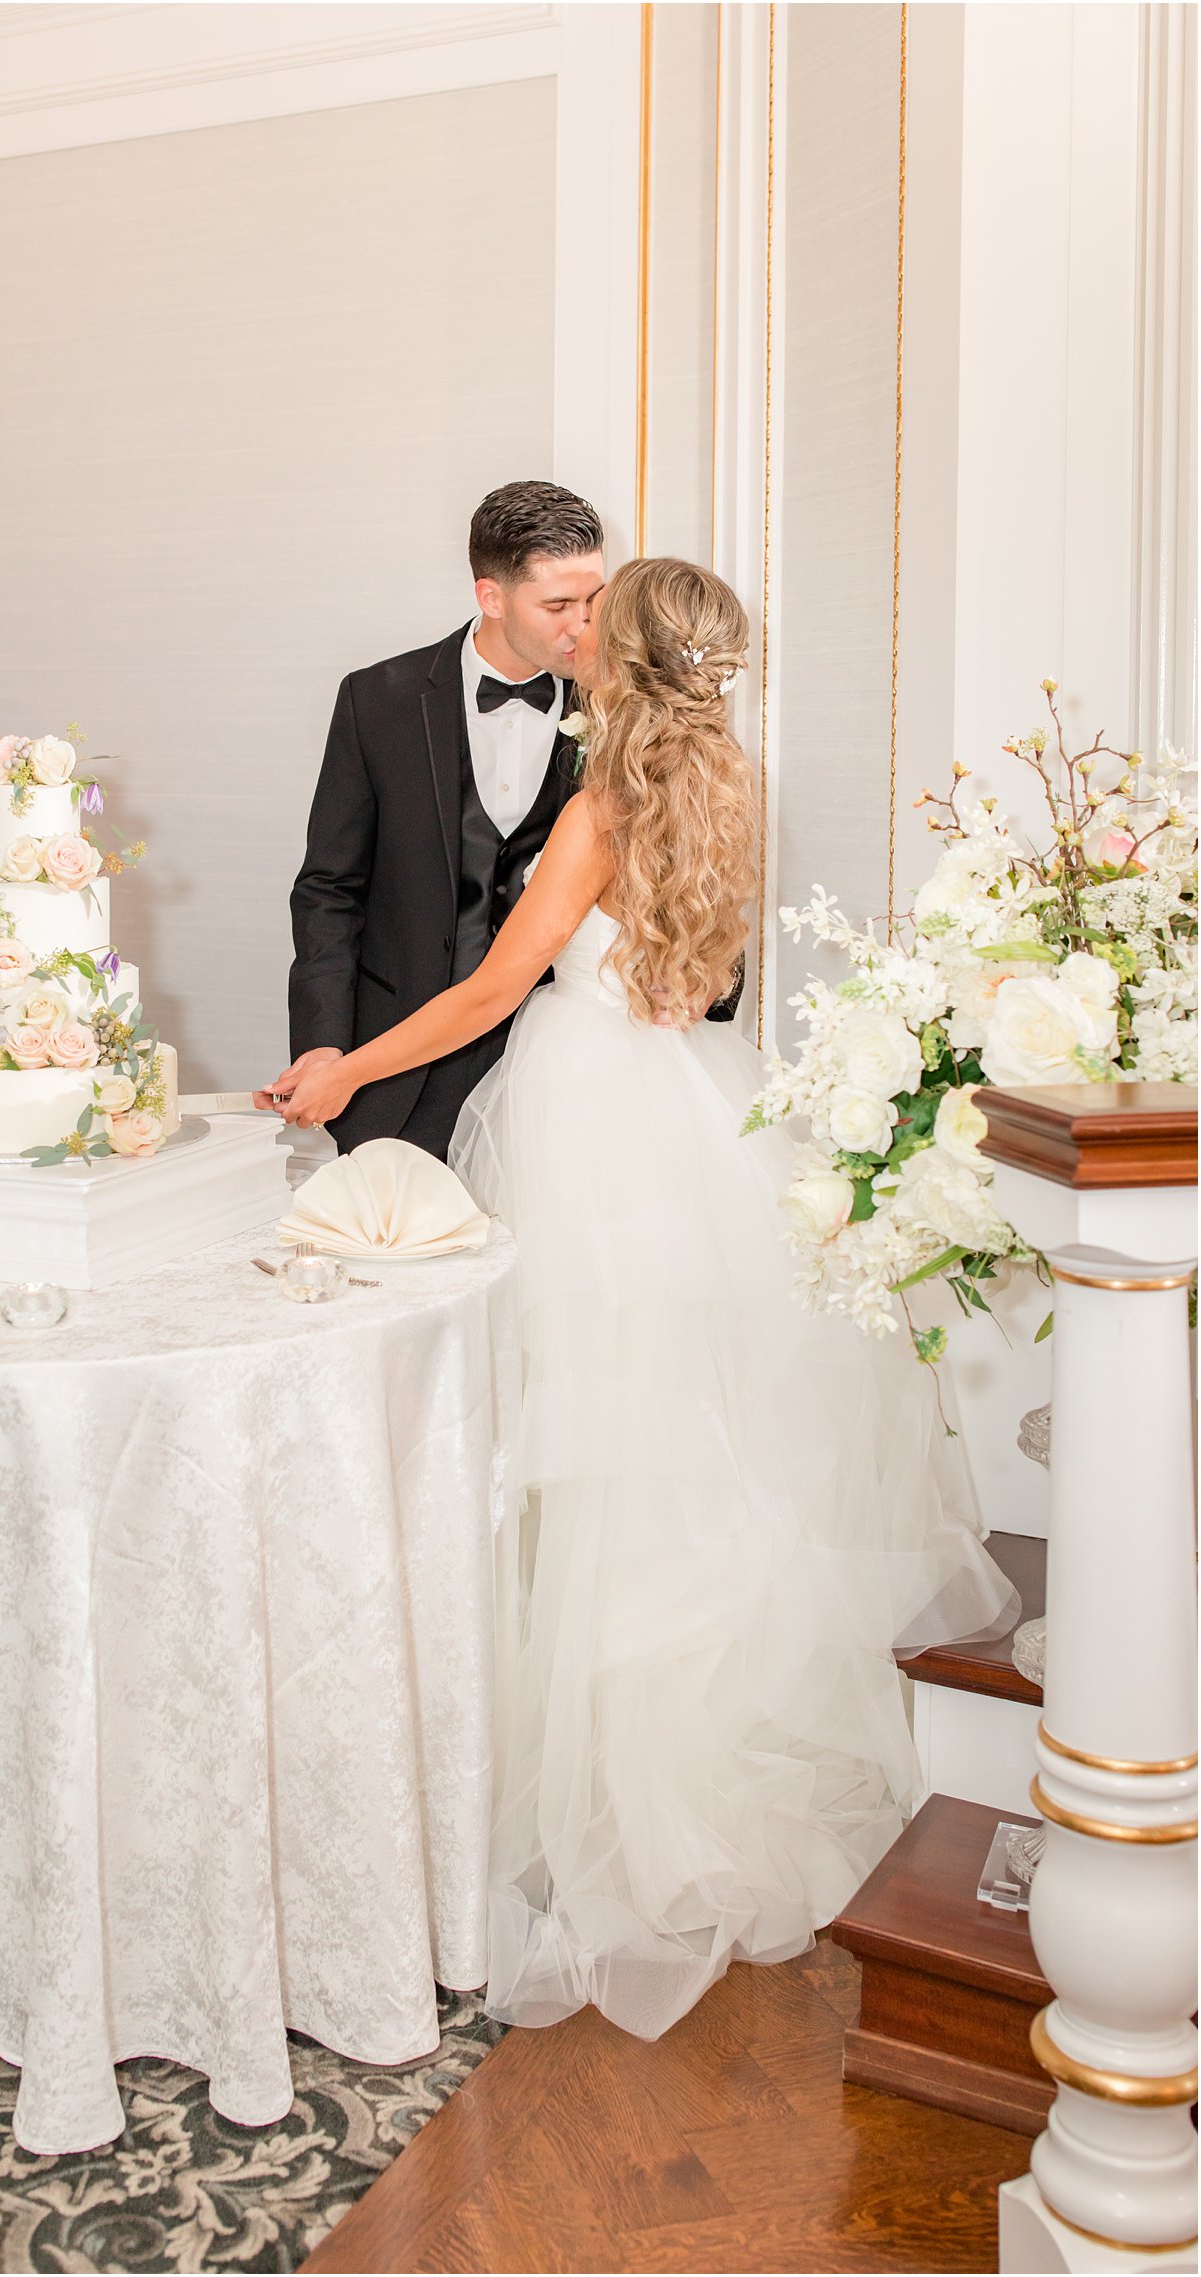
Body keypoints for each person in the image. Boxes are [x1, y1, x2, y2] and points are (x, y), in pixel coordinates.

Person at [270, 556, 1018, 2038]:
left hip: (586, 1122)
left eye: (595, 631)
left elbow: (491, 995)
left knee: (584, 1463)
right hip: (691, 1106)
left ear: (619, 662)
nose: (578, 642)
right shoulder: (726, 788)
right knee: (679, 1456)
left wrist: (346, 1066)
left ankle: (606, 1801)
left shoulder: (599, 809)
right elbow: (706, 980)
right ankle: (677, 1763)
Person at [264, 481, 739, 1159]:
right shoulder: (377, 700)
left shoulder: (629, 706)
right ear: (492, 596)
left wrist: (705, 981)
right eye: (557, 605)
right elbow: (327, 891)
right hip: (392, 1071)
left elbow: (694, 879)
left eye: (592, 602)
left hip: (558, 1080)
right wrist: (326, 1048)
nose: (580, 627)